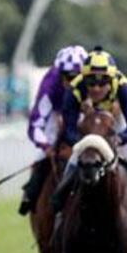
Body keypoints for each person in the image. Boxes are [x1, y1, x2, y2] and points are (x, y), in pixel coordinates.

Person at [52, 46, 127, 212]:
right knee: (68, 174)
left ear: (111, 79)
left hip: (116, 129)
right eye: (91, 82)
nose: (96, 88)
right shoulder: (75, 89)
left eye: (103, 82)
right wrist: (85, 143)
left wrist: (119, 139)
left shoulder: (123, 85)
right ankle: (60, 210)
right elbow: (69, 130)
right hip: (87, 129)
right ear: (83, 79)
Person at [18, 45, 88, 215]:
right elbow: (35, 125)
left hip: (83, 113)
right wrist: (47, 147)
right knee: (44, 155)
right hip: (56, 114)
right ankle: (31, 194)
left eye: (75, 77)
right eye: (65, 76)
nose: (69, 81)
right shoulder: (50, 83)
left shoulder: (93, 80)